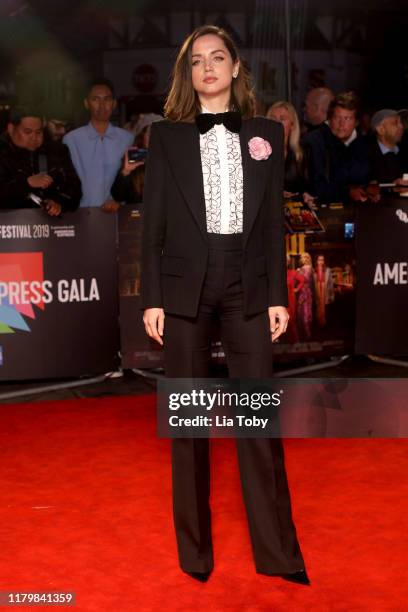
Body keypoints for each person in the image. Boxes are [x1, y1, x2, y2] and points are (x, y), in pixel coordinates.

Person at [141, 25, 308, 585]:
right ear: (188, 74)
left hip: (248, 285)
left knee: (256, 420)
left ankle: (277, 555)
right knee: (188, 425)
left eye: (217, 58)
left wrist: (278, 295)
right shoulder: (166, 138)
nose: (207, 67)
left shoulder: (266, 134)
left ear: (236, 67)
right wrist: (153, 298)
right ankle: (195, 556)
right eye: (196, 61)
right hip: (185, 285)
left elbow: (270, 225)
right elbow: (153, 227)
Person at [63, 77, 133, 212]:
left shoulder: (128, 140)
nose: (102, 105)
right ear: (86, 103)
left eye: (107, 99)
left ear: (114, 103)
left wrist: (118, 201)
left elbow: (135, 182)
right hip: (81, 215)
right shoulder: (71, 140)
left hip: (119, 214)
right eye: (95, 99)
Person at [0, 107, 81, 215]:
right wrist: (26, 183)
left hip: (51, 226)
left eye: (39, 132)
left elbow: (74, 190)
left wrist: (59, 203)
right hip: (9, 226)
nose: (34, 137)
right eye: (28, 132)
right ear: (11, 129)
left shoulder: (57, 152)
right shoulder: (3, 154)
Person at [304, 91, 370, 206]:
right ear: (329, 118)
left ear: (356, 122)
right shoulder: (314, 141)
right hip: (323, 208)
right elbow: (316, 186)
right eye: (337, 117)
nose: (341, 124)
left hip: (360, 209)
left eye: (347, 118)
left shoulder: (364, 144)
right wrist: (348, 193)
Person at [266, 101, 314, 205]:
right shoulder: (258, 150)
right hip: (269, 208)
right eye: (273, 118)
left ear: (292, 125)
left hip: (295, 207)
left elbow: (309, 186)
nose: (277, 123)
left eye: (282, 119)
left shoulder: (303, 151)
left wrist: (305, 195)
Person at [111, 114, 163, 205]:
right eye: (150, 134)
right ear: (143, 137)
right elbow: (118, 196)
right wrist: (125, 172)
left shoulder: (171, 162)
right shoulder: (134, 161)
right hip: (136, 216)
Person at [368, 109, 407, 184]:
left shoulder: (404, 151)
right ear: (380, 129)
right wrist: (393, 185)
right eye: (395, 123)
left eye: (401, 122)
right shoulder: (366, 157)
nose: (401, 126)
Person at [313, 254, 334, 327]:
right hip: (318, 291)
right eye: (319, 260)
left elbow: (331, 284)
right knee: (318, 308)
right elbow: (312, 285)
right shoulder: (314, 271)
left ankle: (325, 325)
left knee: (326, 310)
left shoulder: (328, 270)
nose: (321, 261)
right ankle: (319, 324)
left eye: (322, 260)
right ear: (316, 261)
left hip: (325, 292)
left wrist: (332, 296)